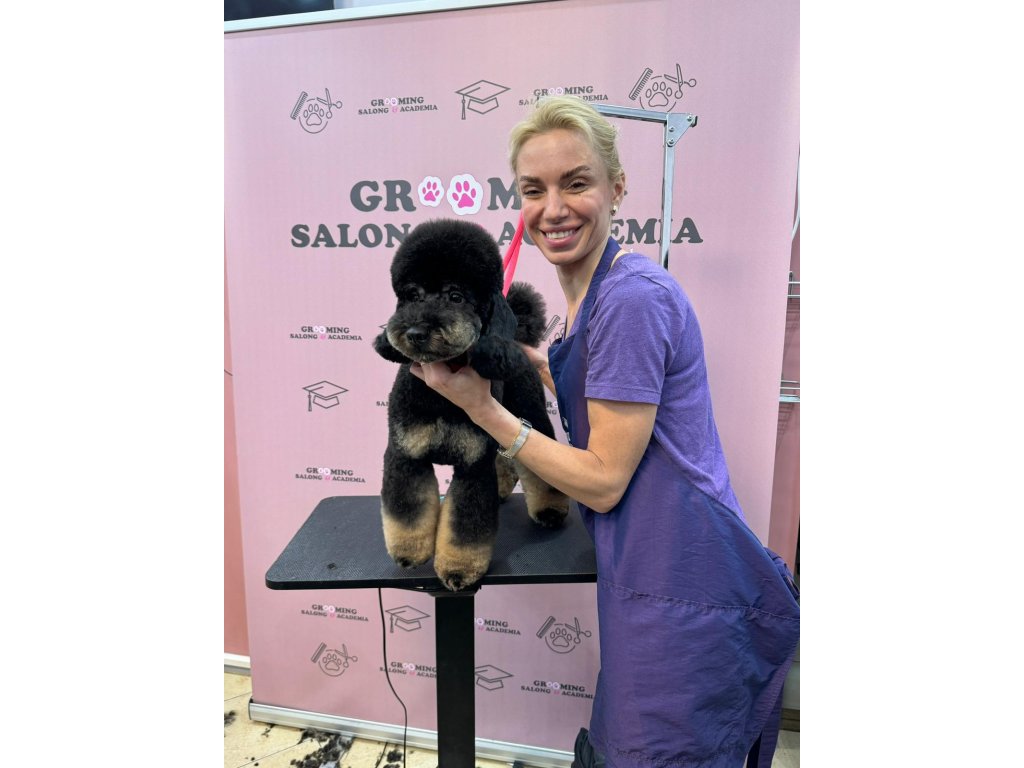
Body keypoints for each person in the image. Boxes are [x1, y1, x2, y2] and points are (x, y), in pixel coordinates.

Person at [410, 95, 800, 768]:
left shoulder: (630, 301)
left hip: (684, 580)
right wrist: (531, 365)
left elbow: (604, 480)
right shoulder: (597, 292)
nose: (554, 208)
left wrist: (483, 409)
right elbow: (607, 395)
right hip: (646, 568)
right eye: (534, 190)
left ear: (617, 187)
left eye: (576, 183)